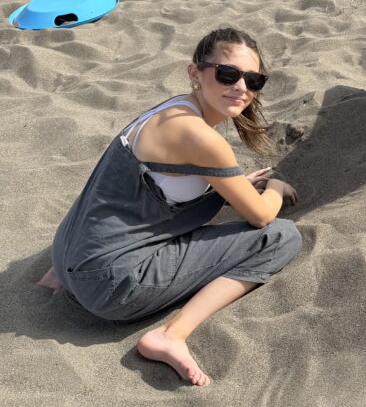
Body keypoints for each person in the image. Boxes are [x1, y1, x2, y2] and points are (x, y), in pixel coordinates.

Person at [41, 27, 302, 386]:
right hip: (109, 287)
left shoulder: (171, 109)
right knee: (282, 237)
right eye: (227, 74)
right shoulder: (199, 136)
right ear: (195, 73)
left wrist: (236, 183)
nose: (241, 87)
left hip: (67, 256)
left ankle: (67, 276)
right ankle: (172, 335)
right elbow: (261, 216)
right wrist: (273, 187)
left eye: (254, 80)